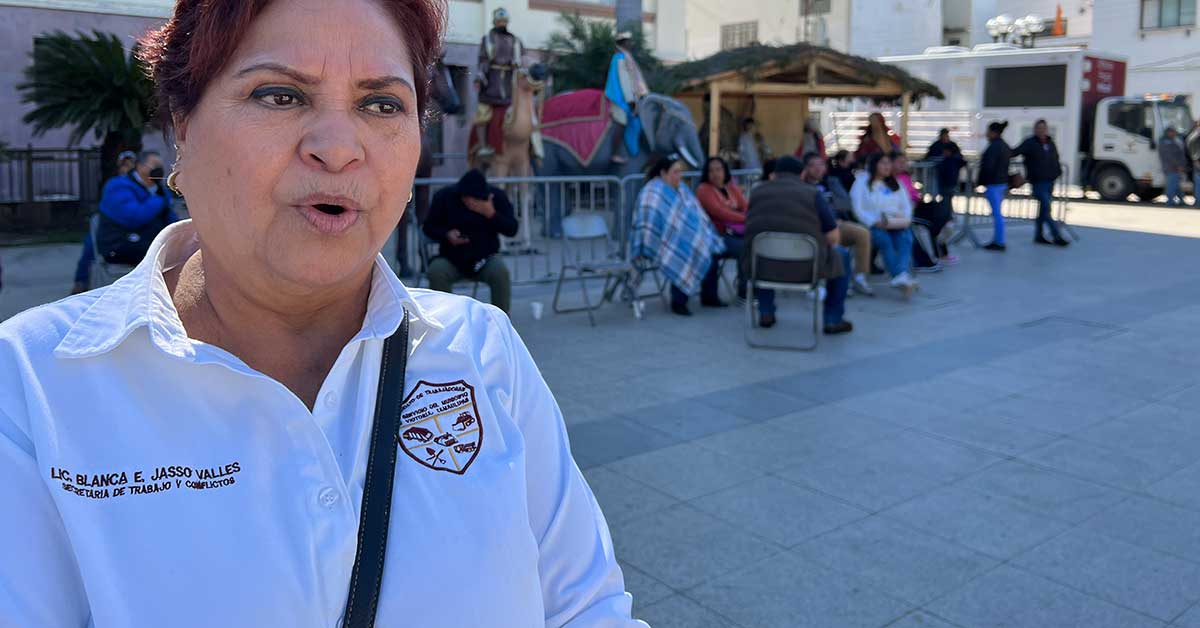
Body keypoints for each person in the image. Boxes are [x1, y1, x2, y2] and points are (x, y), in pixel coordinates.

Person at [0, 1, 645, 626]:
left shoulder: (482, 348)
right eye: (279, 95)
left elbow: (586, 607)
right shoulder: (31, 388)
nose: (338, 148)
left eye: (381, 104)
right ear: (183, 125)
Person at [742, 155, 853, 334]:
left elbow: (749, 227)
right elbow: (832, 236)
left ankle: (766, 312)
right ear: (802, 174)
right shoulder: (813, 194)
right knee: (842, 255)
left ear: (775, 174)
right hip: (807, 268)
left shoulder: (757, 192)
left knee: (763, 251)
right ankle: (833, 319)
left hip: (762, 267)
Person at [630, 155, 725, 316]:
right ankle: (679, 302)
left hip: (686, 233)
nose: (679, 176)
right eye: (675, 172)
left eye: (680, 172)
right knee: (682, 250)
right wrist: (679, 233)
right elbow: (648, 221)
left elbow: (694, 211)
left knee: (708, 245)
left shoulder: (681, 188)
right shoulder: (652, 192)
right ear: (663, 173)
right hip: (662, 239)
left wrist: (698, 231)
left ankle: (709, 296)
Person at [422, 169, 518, 313]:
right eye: (468, 199)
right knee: (436, 271)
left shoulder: (496, 197)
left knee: (500, 273)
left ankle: (501, 320)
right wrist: (447, 234)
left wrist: (491, 214)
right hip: (452, 258)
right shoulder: (444, 197)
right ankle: (444, 318)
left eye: (476, 200)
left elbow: (512, 229)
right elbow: (428, 227)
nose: (471, 203)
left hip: (485, 258)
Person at [798, 151, 873, 296]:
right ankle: (835, 281)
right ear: (805, 168)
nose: (818, 168)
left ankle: (859, 277)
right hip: (814, 227)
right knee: (833, 238)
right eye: (813, 165)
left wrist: (832, 209)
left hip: (836, 222)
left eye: (821, 164)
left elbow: (846, 203)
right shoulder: (801, 185)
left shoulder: (832, 181)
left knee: (862, 233)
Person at [71, 150, 140, 294]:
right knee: (90, 246)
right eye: (125, 165)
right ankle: (81, 282)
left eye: (131, 164)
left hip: (130, 224)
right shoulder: (114, 183)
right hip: (109, 222)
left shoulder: (139, 184)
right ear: (119, 167)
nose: (127, 168)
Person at [94, 150, 177, 266]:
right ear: (140, 166)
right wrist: (158, 199)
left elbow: (170, 219)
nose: (158, 169)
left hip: (146, 242)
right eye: (154, 165)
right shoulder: (118, 186)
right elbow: (133, 217)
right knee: (167, 256)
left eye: (160, 166)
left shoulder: (159, 189)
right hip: (119, 244)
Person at [851, 153, 918, 297]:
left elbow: (906, 206)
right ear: (874, 165)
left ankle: (900, 274)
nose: (887, 166)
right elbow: (858, 209)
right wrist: (873, 221)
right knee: (884, 240)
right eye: (883, 163)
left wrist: (905, 219)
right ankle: (900, 276)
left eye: (888, 163)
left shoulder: (895, 183)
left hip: (896, 222)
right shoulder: (862, 182)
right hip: (873, 224)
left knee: (906, 238)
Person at [471, 7, 523, 159]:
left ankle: (529, 146)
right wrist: (479, 77)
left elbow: (523, 59)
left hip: (509, 83)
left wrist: (518, 64)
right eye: (499, 21)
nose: (502, 24)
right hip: (491, 84)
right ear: (495, 22)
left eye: (504, 21)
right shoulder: (487, 39)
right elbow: (482, 60)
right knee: (482, 113)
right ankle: (482, 146)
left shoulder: (515, 41)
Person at [695, 156, 748, 305]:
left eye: (718, 169)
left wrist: (746, 216)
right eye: (711, 170)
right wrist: (745, 218)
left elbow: (746, 206)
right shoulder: (704, 190)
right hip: (715, 236)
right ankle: (743, 292)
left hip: (735, 233)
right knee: (746, 249)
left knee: (756, 243)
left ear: (725, 171)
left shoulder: (731, 187)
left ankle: (753, 289)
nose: (715, 174)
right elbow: (719, 212)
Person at [1013, 119, 1069, 246]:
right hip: (1038, 182)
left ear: (1046, 129)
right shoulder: (1030, 143)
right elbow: (1015, 152)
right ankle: (1056, 235)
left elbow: (1055, 158)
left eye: (1043, 128)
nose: (1041, 130)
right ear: (1035, 129)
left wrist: (1057, 172)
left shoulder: (1050, 143)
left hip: (1050, 181)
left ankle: (1038, 235)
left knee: (1043, 210)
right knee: (1046, 208)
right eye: (1038, 128)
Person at [605, 30, 649, 164]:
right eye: (628, 41)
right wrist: (630, 100)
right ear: (622, 43)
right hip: (619, 98)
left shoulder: (626, 57)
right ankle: (614, 154)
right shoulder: (620, 58)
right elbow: (624, 81)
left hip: (626, 97)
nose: (631, 43)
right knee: (622, 122)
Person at [977, 121, 1012, 251]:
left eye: (988, 131)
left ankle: (999, 241)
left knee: (997, 214)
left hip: (994, 183)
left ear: (994, 132)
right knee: (998, 213)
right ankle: (998, 240)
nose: (987, 134)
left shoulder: (994, 147)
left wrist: (980, 181)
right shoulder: (1003, 145)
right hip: (1001, 182)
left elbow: (988, 166)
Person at [1159, 126, 1188, 207]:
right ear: (1169, 133)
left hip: (1173, 167)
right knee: (1171, 186)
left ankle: (1181, 200)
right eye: (1173, 132)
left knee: (1176, 185)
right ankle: (1169, 202)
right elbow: (1170, 157)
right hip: (1172, 168)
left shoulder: (1171, 141)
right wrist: (1178, 165)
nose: (1175, 133)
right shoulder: (1166, 143)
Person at [1189, 120, 1200, 207]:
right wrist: (1197, 162)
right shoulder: (1196, 136)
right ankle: (1198, 202)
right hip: (1198, 164)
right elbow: (1195, 154)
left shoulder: (1193, 135)